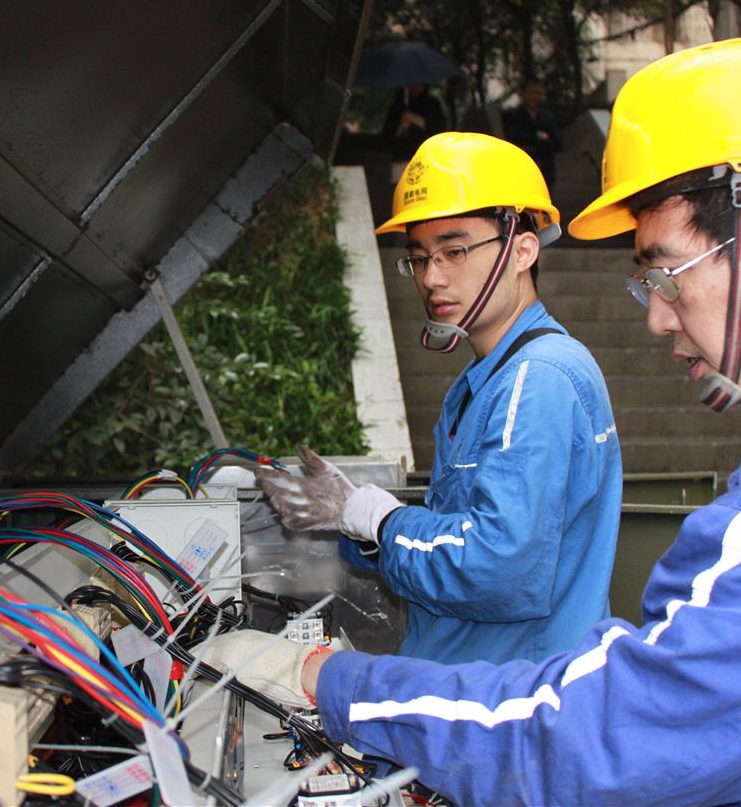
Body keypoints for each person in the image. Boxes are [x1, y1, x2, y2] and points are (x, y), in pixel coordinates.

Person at [206, 37, 741, 803]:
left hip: (512, 718)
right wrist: (362, 529)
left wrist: (328, 665)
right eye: (420, 256)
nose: (658, 319)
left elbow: (585, 717)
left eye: (666, 273)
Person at [259, 132, 622, 666]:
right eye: (419, 258)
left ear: (523, 248)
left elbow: (498, 567)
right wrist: (354, 521)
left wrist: (377, 519)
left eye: (454, 251)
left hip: (507, 702)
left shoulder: (536, 379)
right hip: (472, 687)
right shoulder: (484, 381)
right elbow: (457, 538)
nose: (432, 277)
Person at [502, 77, 562, 188]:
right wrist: (537, 137)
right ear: (523, 94)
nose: (534, 98)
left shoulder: (548, 117)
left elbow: (558, 143)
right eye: (531, 93)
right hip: (523, 168)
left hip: (545, 170)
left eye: (538, 94)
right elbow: (513, 136)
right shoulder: (513, 115)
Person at [381, 83, 447, 181]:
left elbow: (438, 129)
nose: (415, 87)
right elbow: (387, 135)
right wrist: (401, 127)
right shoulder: (398, 106)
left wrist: (415, 119)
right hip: (402, 160)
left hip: (426, 160)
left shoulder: (433, 104)